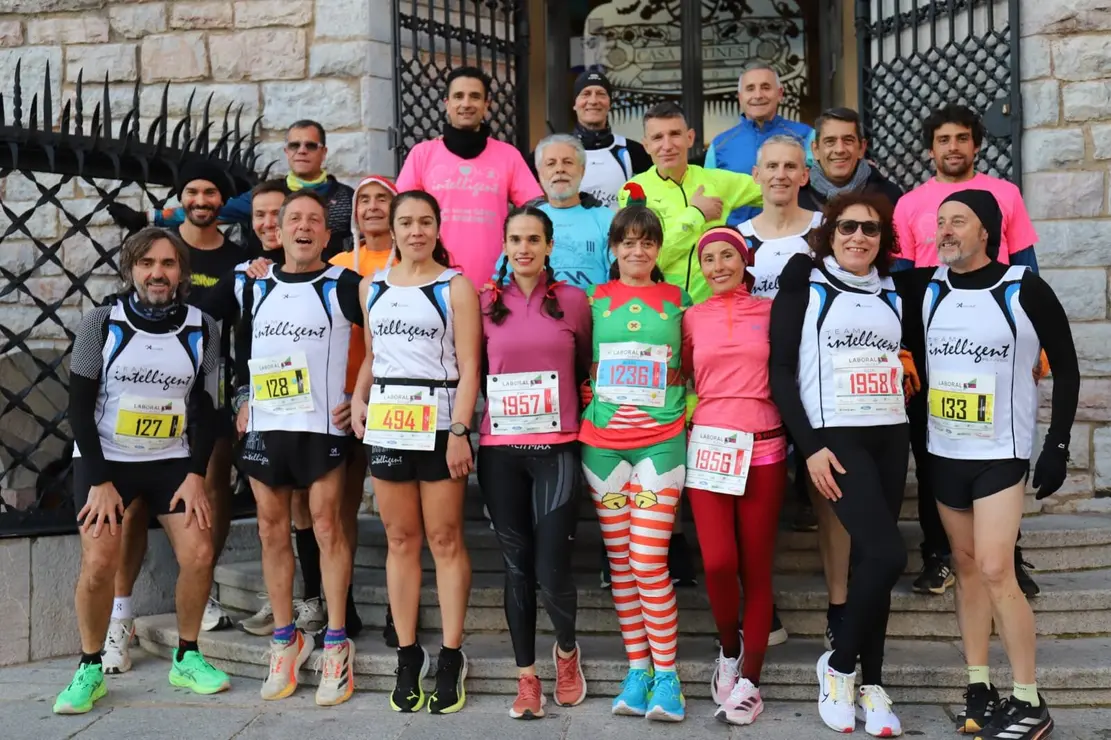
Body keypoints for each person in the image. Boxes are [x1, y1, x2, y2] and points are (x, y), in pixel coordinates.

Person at [897, 190, 1077, 740]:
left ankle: (1030, 699)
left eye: (959, 222)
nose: (946, 230)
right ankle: (979, 686)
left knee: (999, 569)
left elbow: (1066, 368)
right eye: (941, 222)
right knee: (968, 567)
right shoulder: (925, 290)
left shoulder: (1024, 288)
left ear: (987, 232)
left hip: (1001, 453)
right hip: (944, 452)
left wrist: (1059, 445)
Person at [54, 227, 229, 714]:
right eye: (147, 263)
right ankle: (90, 667)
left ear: (181, 272)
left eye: (168, 264)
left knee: (198, 553)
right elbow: (77, 410)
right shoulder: (100, 322)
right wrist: (102, 479)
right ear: (131, 268)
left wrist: (197, 473)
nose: (158, 273)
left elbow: (207, 408)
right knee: (98, 565)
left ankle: (188, 656)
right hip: (105, 458)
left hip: (170, 460)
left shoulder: (203, 327)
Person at [770, 193, 912, 736]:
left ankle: (871, 683)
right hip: (835, 439)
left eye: (871, 230)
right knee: (888, 552)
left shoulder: (896, 289)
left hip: (890, 435)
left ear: (883, 241)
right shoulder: (806, 281)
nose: (859, 237)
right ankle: (840, 666)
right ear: (829, 232)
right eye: (848, 227)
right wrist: (807, 448)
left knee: (871, 566)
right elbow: (781, 371)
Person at [102, 162, 246, 677]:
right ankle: (119, 617)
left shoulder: (237, 256)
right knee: (133, 511)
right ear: (180, 197)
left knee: (207, 499)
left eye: (211, 191)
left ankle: (199, 595)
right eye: (193, 190)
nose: (202, 198)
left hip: (202, 398)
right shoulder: (152, 248)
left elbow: (244, 328)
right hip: (137, 414)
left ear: (222, 200)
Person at [893, 104, 1041, 598]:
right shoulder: (910, 204)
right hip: (932, 335)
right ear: (930, 148)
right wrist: (901, 346)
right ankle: (940, 554)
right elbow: (900, 281)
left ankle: (1007, 555)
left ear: (976, 144)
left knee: (999, 441)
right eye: (943, 139)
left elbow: (1026, 265)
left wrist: (1036, 339)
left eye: (961, 138)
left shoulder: (1005, 195)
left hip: (993, 334)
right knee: (930, 440)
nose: (952, 147)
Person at [232, 190, 364, 706]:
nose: (304, 227)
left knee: (326, 524)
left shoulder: (345, 283)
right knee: (270, 528)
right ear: (278, 231)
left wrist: (360, 396)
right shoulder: (253, 283)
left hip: (321, 425)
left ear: (327, 237)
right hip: (267, 423)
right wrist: (240, 397)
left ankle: (335, 640)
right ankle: (285, 638)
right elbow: (232, 346)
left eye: (315, 220)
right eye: (295, 220)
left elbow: (378, 344)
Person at [351, 190, 481, 715]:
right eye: (407, 222)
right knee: (400, 538)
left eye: (425, 222)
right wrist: (358, 398)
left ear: (437, 227)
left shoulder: (456, 287)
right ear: (394, 230)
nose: (416, 231)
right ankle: (408, 654)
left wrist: (459, 429)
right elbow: (376, 356)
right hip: (388, 420)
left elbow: (471, 365)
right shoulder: (371, 286)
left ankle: (451, 654)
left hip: (438, 420)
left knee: (444, 537)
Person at [480, 206, 592, 719]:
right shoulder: (484, 302)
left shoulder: (572, 301)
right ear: (504, 246)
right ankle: (527, 678)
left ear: (549, 246)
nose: (523, 247)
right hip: (500, 451)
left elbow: (586, 364)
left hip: (558, 448)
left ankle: (566, 652)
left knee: (551, 567)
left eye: (533, 239)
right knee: (515, 567)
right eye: (515, 239)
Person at [581, 206, 692, 722]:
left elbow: (695, 365)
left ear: (658, 248)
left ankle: (668, 676)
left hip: (660, 444)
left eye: (646, 242)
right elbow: (579, 360)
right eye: (626, 242)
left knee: (648, 559)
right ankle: (638, 669)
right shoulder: (594, 301)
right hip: (602, 446)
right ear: (613, 249)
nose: (637, 251)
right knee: (622, 564)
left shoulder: (679, 301)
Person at [682, 227, 786, 726]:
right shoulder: (692, 318)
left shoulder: (770, 313)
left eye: (728, 256)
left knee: (757, 569)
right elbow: (680, 376)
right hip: (710, 449)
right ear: (700, 267)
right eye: (709, 258)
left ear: (745, 262)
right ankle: (729, 651)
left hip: (765, 448)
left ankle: (752, 682)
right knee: (719, 561)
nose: (719, 265)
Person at [109, 121, 355, 260]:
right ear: (286, 152)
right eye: (294, 145)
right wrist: (147, 218)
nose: (302, 150)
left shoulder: (347, 196)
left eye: (310, 145)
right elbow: (207, 210)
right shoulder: (265, 196)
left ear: (323, 152)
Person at [396, 66, 543, 288]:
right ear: (447, 103)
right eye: (458, 96)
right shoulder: (422, 154)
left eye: (475, 96)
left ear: (487, 104)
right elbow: (399, 213)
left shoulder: (508, 155)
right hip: (433, 282)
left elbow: (537, 211)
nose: (466, 103)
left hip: (495, 285)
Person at [618, 101, 762, 304]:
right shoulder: (633, 190)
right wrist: (697, 214)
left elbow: (776, 189)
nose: (667, 145)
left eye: (675, 134)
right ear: (646, 146)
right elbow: (646, 259)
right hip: (658, 312)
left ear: (690, 138)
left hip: (711, 312)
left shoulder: (719, 181)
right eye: (658, 137)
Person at [704, 62, 815, 226]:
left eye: (765, 87)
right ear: (740, 96)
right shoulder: (719, 145)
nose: (758, 95)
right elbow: (709, 200)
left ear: (780, 93)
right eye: (750, 89)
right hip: (738, 242)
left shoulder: (806, 136)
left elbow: (821, 188)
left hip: (792, 235)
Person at [496, 134, 614, 288]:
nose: (560, 169)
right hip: (536, 311)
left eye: (568, 162)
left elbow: (619, 277)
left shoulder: (607, 219)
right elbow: (504, 280)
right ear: (539, 172)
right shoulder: (527, 221)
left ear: (582, 170)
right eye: (551, 164)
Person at [564, 70, 652, 209]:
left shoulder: (633, 151)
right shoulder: (554, 151)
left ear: (610, 103)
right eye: (586, 94)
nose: (593, 101)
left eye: (601, 94)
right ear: (574, 103)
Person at [799, 107, 903, 212]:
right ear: (815, 150)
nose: (840, 149)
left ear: (862, 148)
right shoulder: (794, 197)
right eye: (830, 141)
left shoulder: (889, 196)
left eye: (848, 140)